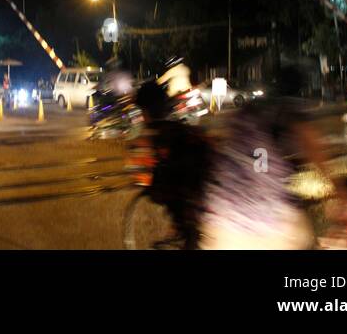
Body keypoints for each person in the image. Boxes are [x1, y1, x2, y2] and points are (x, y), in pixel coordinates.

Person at [198, 64, 334, 249]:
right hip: (266, 221)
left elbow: (233, 151)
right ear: (301, 88)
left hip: (221, 216)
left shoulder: (247, 110)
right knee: (305, 238)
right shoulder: (289, 111)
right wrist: (342, 189)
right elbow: (314, 149)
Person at [126, 80, 213, 248]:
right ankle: (186, 231)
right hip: (193, 185)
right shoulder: (175, 127)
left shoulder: (155, 131)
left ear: (145, 111)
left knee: (172, 196)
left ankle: (185, 231)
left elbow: (150, 168)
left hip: (178, 188)